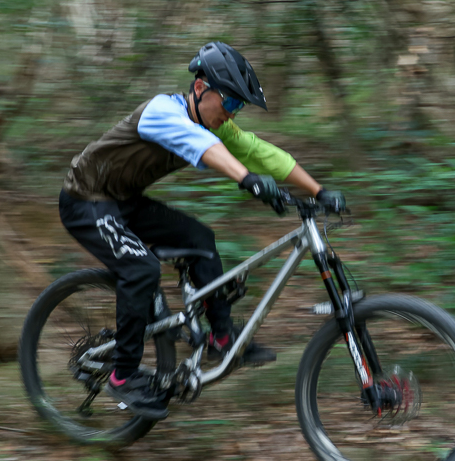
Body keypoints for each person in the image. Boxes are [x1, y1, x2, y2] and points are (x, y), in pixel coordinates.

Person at [58, 41, 346, 421]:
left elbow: (261, 152)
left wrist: (318, 191)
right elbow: (203, 146)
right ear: (199, 89)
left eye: (239, 107)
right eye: (229, 103)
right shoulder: (162, 111)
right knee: (141, 269)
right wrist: (248, 181)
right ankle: (123, 376)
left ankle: (222, 339)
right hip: (85, 200)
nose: (232, 114)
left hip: (123, 201)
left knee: (200, 240)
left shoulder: (214, 123)